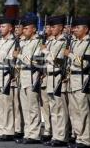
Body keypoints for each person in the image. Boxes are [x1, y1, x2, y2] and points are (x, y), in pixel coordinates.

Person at [41, 15, 69, 147]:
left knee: (60, 109)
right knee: (53, 109)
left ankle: (62, 137)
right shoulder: (51, 42)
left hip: (58, 77)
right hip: (50, 78)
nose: (51, 29)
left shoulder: (64, 42)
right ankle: (55, 135)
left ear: (61, 28)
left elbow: (59, 61)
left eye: (53, 26)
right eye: (50, 26)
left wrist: (47, 53)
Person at [13, 18, 42, 144]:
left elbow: (35, 61)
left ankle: (34, 135)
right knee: (25, 108)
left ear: (34, 29)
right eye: (23, 28)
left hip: (32, 77)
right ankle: (28, 133)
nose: (23, 30)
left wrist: (18, 56)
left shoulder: (38, 42)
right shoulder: (23, 42)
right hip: (22, 78)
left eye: (26, 28)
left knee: (33, 107)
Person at [64, 17, 90, 148]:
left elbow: (85, 64)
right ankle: (79, 137)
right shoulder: (74, 42)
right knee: (74, 111)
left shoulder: (88, 43)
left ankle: (86, 139)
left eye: (77, 28)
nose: (74, 30)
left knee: (83, 111)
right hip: (72, 81)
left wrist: (70, 55)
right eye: (74, 28)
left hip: (82, 81)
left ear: (86, 29)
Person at [0, 18, 16, 141]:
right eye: (0, 27)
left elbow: (10, 59)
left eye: (3, 26)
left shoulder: (14, 42)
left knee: (7, 106)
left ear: (10, 28)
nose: (1, 29)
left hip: (6, 76)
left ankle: (9, 131)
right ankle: (1, 131)